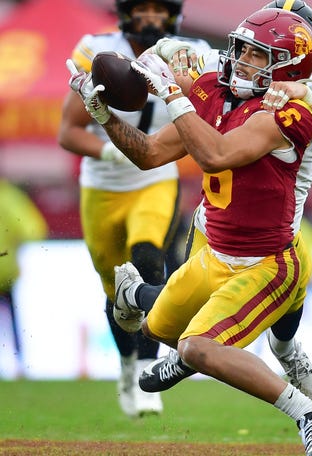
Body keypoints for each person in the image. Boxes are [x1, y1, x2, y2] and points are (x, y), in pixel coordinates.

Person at [68, 8, 312, 455]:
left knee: (199, 347)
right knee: (158, 328)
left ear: (292, 62)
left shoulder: (289, 107)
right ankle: (147, 305)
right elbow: (148, 154)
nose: (240, 60)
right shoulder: (215, 92)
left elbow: (219, 155)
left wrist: (174, 94)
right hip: (215, 247)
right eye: (243, 49)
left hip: (267, 260)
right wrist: (103, 114)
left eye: (257, 55)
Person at [57, 0, 211, 418]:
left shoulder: (190, 50)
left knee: (147, 259)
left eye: (159, 9)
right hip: (103, 185)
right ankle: (127, 366)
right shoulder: (97, 49)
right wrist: (109, 152)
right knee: (114, 289)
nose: (152, 18)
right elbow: (68, 132)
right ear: (126, 11)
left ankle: (145, 369)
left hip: (154, 177)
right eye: (142, 8)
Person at [0, 179, 48, 378]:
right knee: (12, 319)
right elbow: (34, 230)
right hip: (6, 270)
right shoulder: (8, 196)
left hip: (5, 271)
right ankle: (20, 364)